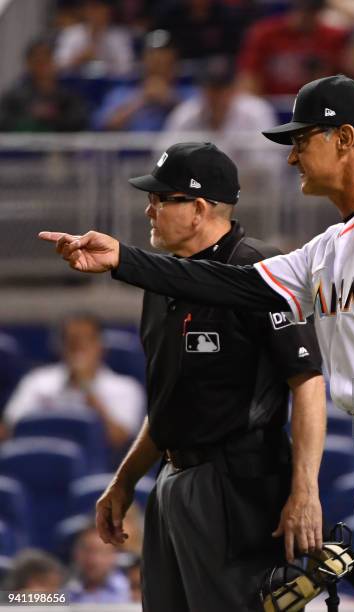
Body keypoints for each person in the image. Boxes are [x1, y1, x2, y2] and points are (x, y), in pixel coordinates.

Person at [40, 75, 354, 611]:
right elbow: (229, 282)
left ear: (345, 139)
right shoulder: (329, 246)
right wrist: (123, 260)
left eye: (302, 140)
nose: (291, 157)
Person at [49, 142, 325, 611]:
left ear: (198, 209)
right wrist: (124, 481)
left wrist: (305, 489)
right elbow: (169, 402)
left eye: (161, 199)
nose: (148, 209)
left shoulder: (259, 268)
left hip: (236, 484)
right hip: (173, 479)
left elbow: (308, 381)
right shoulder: (163, 281)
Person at [1, 313, 145, 454]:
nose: (79, 348)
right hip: (40, 461)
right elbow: (9, 430)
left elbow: (121, 441)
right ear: (61, 347)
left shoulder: (126, 387)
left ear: (101, 346)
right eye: (72, 341)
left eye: (86, 341)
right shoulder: (37, 381)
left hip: (100, 469)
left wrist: (86, 388)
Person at [237, 0, 349, 95]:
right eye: (302, 10)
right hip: (272, 103)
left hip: (314, 105)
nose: (306, 17)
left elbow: (343, 77)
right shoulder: (266, 33)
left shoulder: (332, 36)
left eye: (312, 12)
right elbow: (250, 75)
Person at [93, 33, 194, 132]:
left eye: (165, 62)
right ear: (144, 63)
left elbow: (200, 120)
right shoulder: (121, 93)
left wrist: (169, 99)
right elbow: (104, 126)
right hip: (131, 146)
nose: (159, 66)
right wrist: (141, 99)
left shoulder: (189, 94)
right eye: (154, 61)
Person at [0, 39, 88, 132]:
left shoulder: (68, 96)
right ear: (29, 64)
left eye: (47, 59)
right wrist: (30, 116)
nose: (43, 66)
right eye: (38, 61)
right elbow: (3, 121)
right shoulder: (14, 96)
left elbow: (80, 121)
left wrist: (53, 116)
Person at [54, 0, 134, 77]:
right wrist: (80, 58)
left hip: (109, 85)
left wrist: (107, 64)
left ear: (108, 11)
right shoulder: (71, 34)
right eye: (91, 8)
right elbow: (57, 65)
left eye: (99, 8)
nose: (95, 13)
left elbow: (127, 68)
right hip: (75, 85)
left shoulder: (119, 36)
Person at [66, 523, 130, 604]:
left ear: (114, 555)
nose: (94, 560)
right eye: (87, 551)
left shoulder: (130, 591)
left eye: (101, 552)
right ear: (76, 554)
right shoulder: (62, 591)